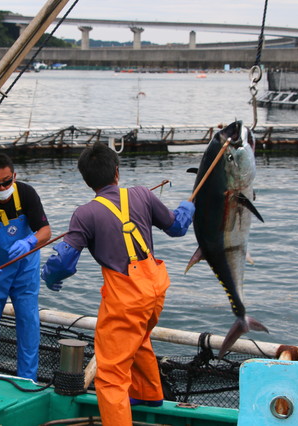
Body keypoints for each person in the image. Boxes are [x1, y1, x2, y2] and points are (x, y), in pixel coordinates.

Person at [41, 142, 195, 425]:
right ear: (116, 171)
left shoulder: (85, 214)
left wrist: (49, 278)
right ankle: (147, 392)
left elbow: (63, 263)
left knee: (111, 375)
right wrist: (188, 205)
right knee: (138, 339)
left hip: (125, 297)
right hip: (155, 289)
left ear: (87, 180)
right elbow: (177, 227)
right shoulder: (140, 195)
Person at [0, 153, 51, 381]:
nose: (2, 187)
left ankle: (27, 377)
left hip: (25, 268)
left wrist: (29, 242)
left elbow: (46, 232)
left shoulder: (26, 194)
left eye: (7, 181)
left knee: (28, 321)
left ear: (14, 176)